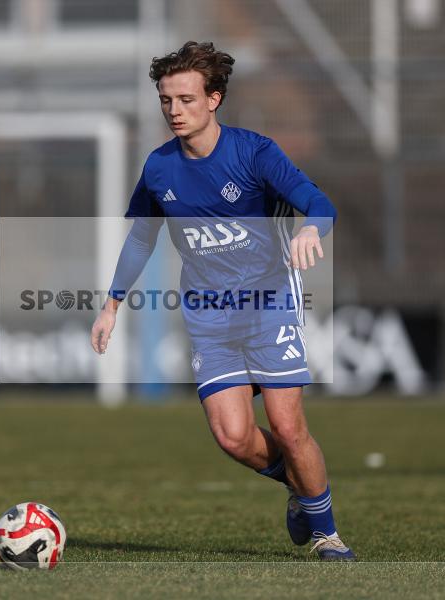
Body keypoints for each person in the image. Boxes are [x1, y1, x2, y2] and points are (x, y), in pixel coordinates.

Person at [90, 41, 354, 560]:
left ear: (214, 99)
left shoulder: (254, 153)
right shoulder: (160, 168)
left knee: (286, 425)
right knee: (233, 437)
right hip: (209, 313)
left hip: (270, 300)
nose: (174, 111)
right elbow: (143, 238)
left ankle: (327, 533)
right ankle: (299, 490)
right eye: (166, 100)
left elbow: (319, 204)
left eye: (186, 99)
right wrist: (112, 304)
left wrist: (310, 232)